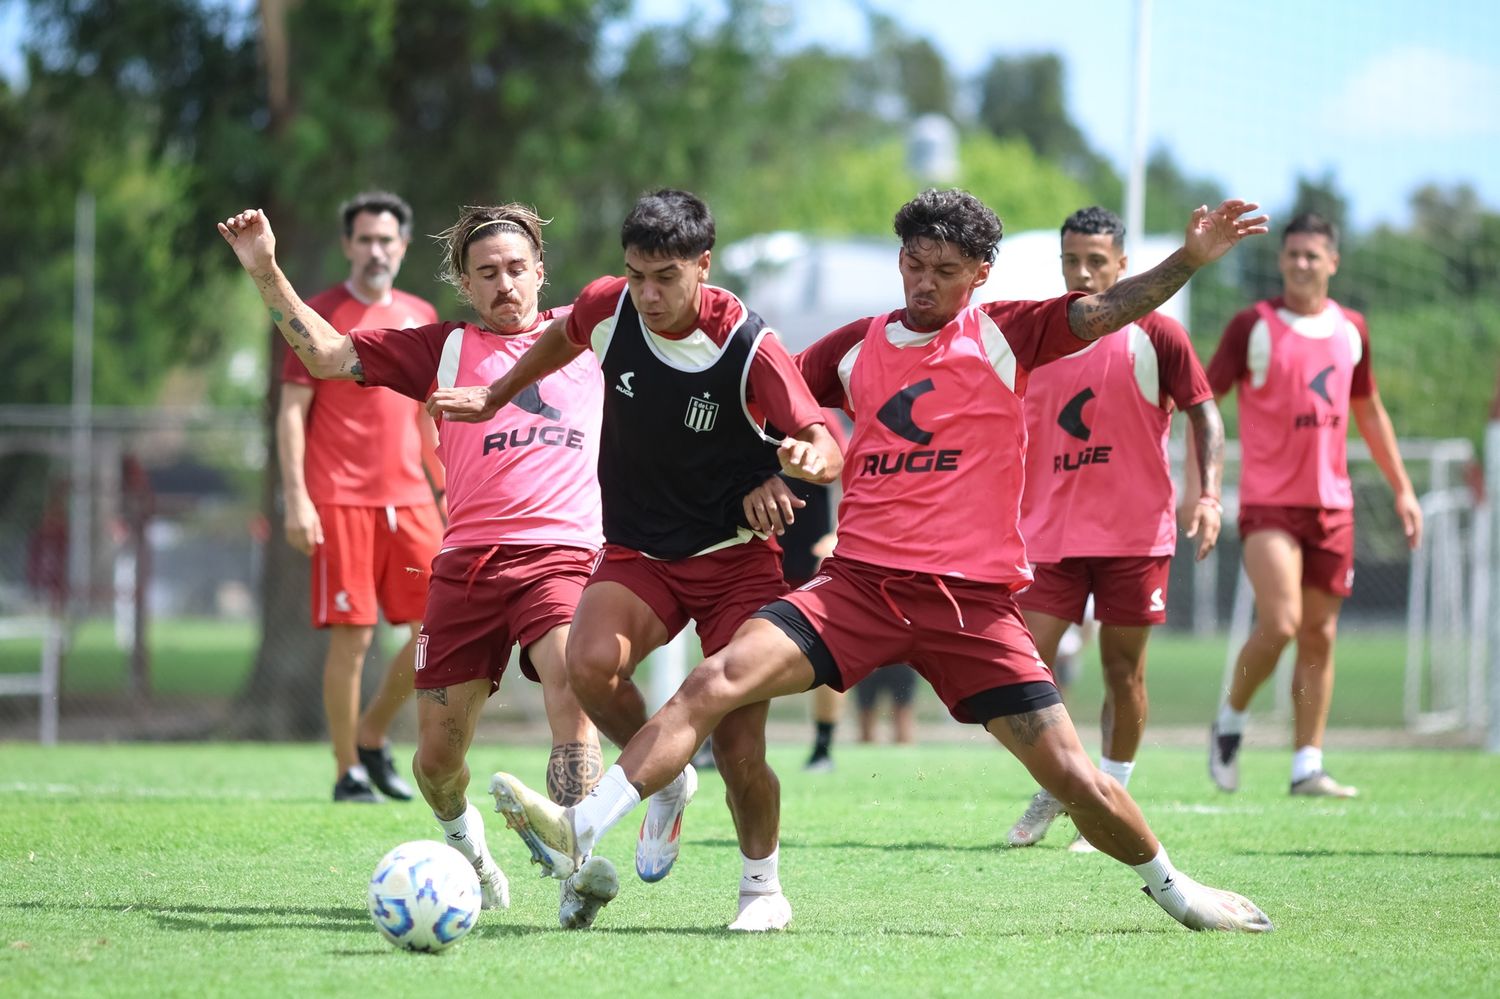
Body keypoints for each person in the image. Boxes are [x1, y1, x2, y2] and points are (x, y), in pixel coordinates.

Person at [481, 189, 1275, 934]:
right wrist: (763, 469)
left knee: (1075, 778)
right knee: (712, 682)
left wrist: (1189, 261)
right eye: (914, 265)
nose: (925, 284)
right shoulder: (856, 347)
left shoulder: (1005, 333)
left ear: (981, 275)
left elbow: (1105, 310)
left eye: (946, 271)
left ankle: (1180, 891)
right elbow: (755, 399)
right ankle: (581, 825)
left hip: (970, 607)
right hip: (855, 589)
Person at [429, 189, 843, 932]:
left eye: (667, 277)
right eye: (636, 274)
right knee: (588, 665)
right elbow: (561, 340)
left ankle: (761, 889)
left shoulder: (748, 343)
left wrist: (798, 462)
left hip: (734, 561)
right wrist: (495, 395)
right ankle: (666, 778)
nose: (647, 294)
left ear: (704, 267)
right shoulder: (607, 306)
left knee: (743, 747)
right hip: (639, 552)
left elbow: (825, 440)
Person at [218, 202, 617, 929]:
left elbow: (676, 311)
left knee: (571, 686)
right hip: (465, 563)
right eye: (487, 272)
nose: (505, 285)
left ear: (541, 273)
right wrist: (266, 270)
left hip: (562, 553)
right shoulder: (443, 345)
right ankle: (470, 849)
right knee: (435, 760)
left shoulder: (587, 336)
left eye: (517, 270)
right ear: (464, 283)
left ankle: (576, 864)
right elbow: (327, 357)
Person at [1007, 206, 1225, 851]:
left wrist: (1208, 495)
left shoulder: (1159, 335)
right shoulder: (1037, 336)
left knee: (1122, 672)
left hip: (1135, 536)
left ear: (1122, 264)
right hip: (1048, 537)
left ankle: (1110, 791)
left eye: (1096, 260)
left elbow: (1205, 416)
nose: (1083, 272)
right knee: (1026, 672)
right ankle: (1065, 782)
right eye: (1072, 260)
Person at [1204, 212, 1422, 798]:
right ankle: (1229, 723)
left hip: (1333, 507)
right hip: (1269, 505)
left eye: (1313, 254)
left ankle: (1307, 764)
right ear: (1281, 260)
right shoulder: (1253, 325)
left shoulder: (1352, 329)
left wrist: (1402, 487)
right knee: (1280, 622)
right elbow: (1202, 401)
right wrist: (1198, 484)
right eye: (1293, 253)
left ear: (1333, 262)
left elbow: (1370, 411)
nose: (1302, 263)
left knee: (1319, 636)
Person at [269, 191, 443, 804]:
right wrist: (297, 498)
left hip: (413, 500)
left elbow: (427, 415)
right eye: (365, 239)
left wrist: (446, 488)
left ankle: (373, 734)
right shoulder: (317, 313)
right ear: (348, 245)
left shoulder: (422, 313)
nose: (376, 250)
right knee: (355, 637)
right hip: (340, 500)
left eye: (387, 239)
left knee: (438, 628)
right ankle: (347, 770)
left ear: (402, 246)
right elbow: (292, 413)